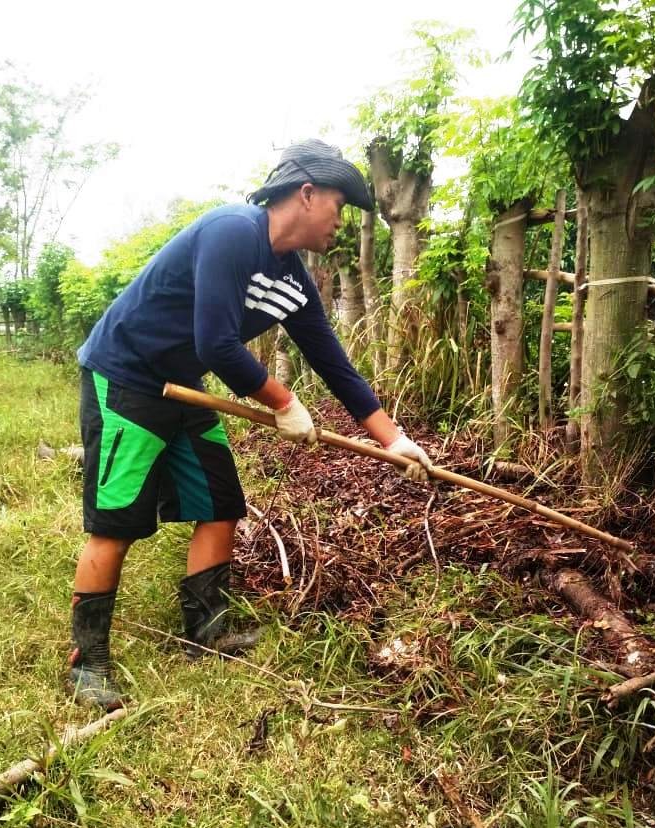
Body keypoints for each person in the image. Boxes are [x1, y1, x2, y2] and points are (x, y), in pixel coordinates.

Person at [70, 139, 432, 710]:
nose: (341, 220)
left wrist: (395, 441)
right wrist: (283, 402)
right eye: (339, 205)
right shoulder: (231, 231)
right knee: (116, 522)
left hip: (186, 386)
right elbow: (215, 342)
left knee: (219, 503)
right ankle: (88, 663)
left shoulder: (293, 280)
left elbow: (335, 365)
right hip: (128, 378)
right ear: (306, 194)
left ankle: (206, 631)